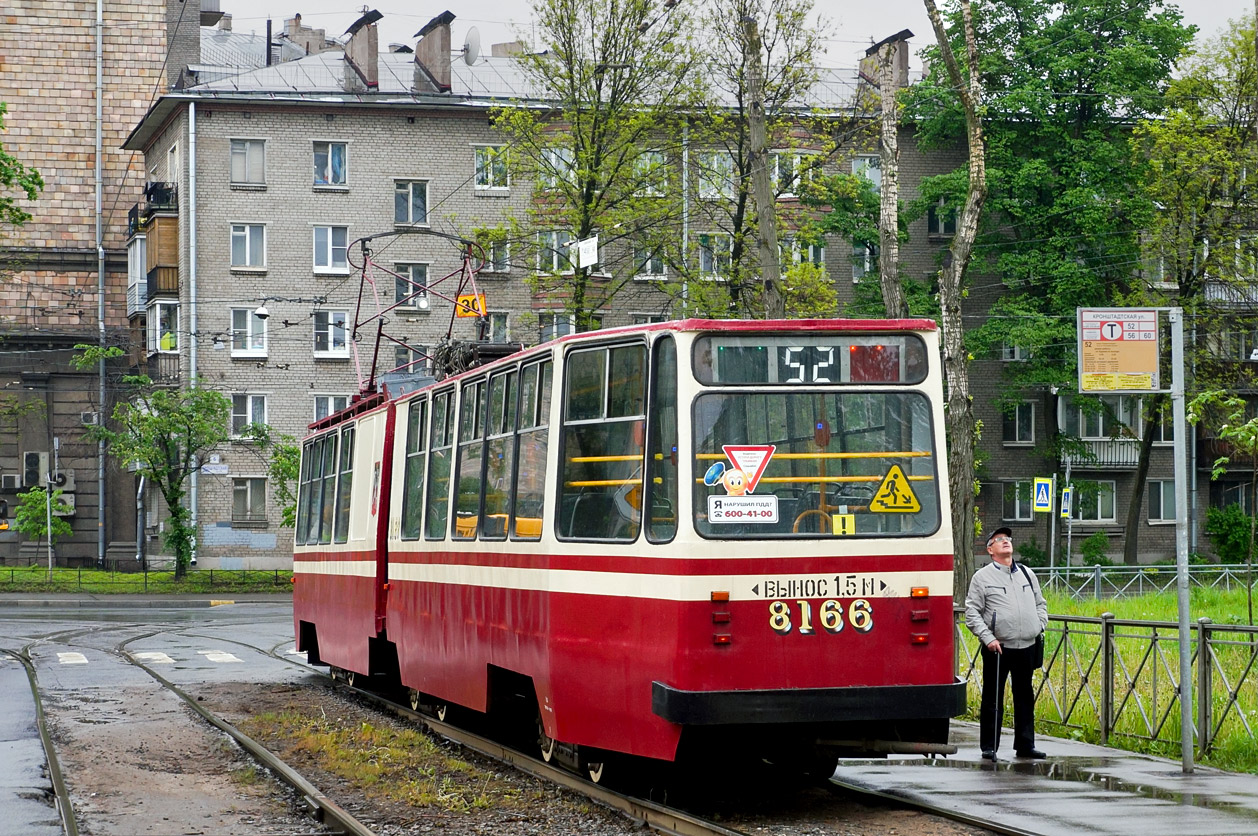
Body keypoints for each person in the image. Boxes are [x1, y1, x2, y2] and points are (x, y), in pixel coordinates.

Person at [964, 526, 1049, 761]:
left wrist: (1039, 625)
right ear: (990, 550)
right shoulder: (982, 578)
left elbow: (1040, 603)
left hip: (1027, 646)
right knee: (993, 698)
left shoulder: (1026, 574)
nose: (1006, 542)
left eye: (1008, 539)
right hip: (998, 647)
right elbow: (972, 613)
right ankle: (989, 747)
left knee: (1024, 696)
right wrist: (988, 638)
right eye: (999, 540)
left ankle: (1025, 745)